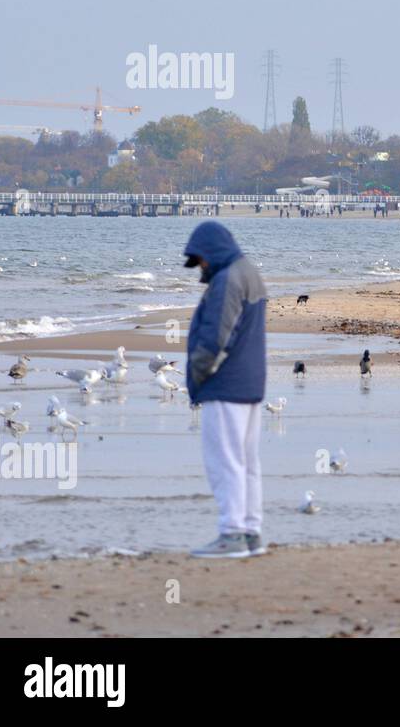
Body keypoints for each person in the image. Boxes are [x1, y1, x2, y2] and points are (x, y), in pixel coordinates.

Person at [183, 221, 269, 559]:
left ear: (210, 253)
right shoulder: (249, 273)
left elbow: (217, 337)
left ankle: (231, 534)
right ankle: (250, 532)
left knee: (224, 462)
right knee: (247, 462)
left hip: (225, 385)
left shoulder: (227, 280)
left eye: (200, 260)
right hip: (249, 384)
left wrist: (198, 376)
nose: (200, 268)